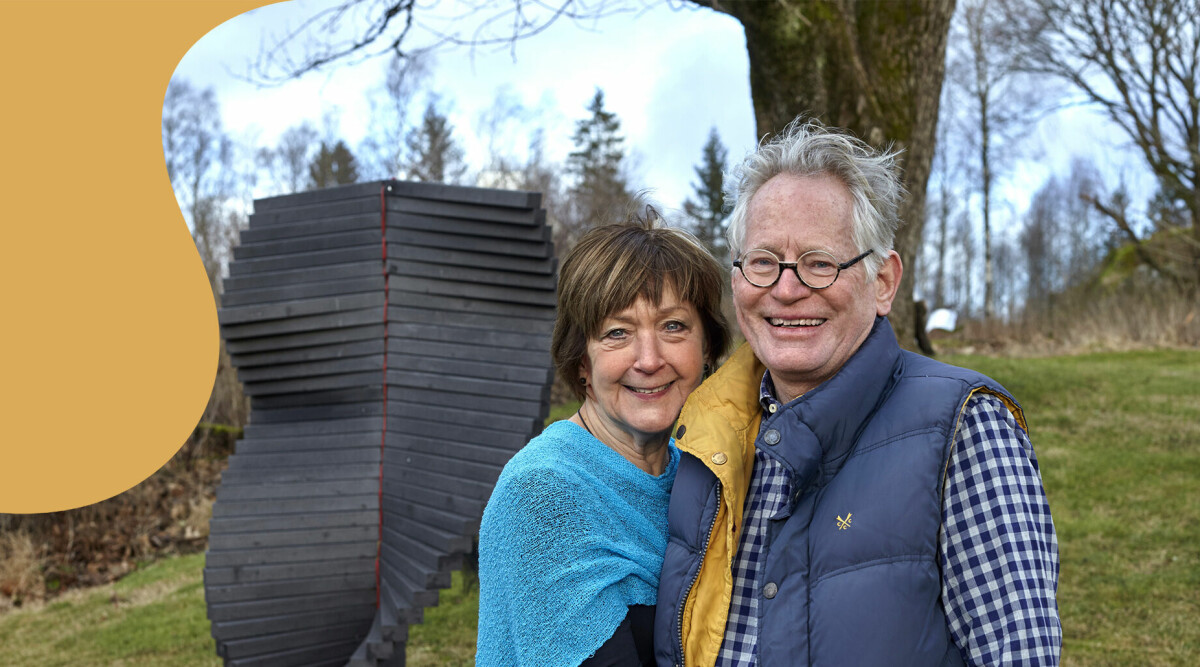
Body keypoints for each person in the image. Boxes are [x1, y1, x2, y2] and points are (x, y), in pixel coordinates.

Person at [654, 120, 1061, 667]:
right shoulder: (701, 432)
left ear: (884, 282)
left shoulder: (966, 430)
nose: (787, 289)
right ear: (737, 278)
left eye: (820, 263)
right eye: (763, 261)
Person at [478, 211, 732, 667]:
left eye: (673, 326)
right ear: (582, 362)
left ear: (707, 348)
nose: (650, 359)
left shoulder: (697, 472)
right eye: (618, 333)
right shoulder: (545, 493)